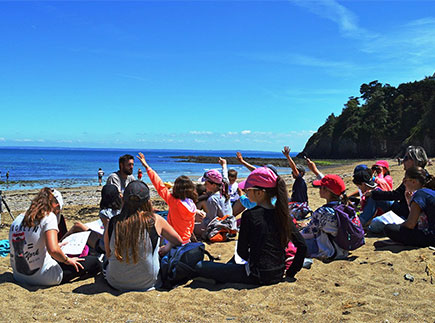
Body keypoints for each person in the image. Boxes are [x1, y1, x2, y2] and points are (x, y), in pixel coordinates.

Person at [195, 167, 307, 284]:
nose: (245, 192)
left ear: (259, 193)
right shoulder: (283, 214)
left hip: (255, 274)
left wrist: (253, 261)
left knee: (200, 266)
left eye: (248, 190)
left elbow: (241, 251)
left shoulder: (250, 215)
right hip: (277, 273)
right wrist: (291, 272)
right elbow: (302, 245)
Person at [9, 188, 100, 286]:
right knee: (94, 262)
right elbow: (53, 250)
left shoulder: (18, 219)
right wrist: (67, 260)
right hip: (42, 277)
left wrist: (58, 245)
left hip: (18, 275)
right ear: (56, 205)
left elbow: (33, 243)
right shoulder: (49, 217)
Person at [104, 181, 182, 291]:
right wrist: (167, 247)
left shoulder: (113, 222)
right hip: (149, 282)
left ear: (123, 200)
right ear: (148, 201)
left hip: (115, 281)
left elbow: (108, 254)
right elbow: (178, 241)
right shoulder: (154, 220)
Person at [137, 152, 204, 254]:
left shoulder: (174, 202)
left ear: (176, 188)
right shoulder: (192, 204)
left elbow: (159, 185)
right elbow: (190, 226)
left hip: (173, 241)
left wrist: (147, 166)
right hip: (186, 241)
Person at [367, 146, 428, 220]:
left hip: (405, 214)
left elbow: (396, 195)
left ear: (415, 160)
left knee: (376, 222)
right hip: (405, 210)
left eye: (406, 158)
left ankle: (360, 222)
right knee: (376, 194)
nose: (403, 161)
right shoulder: (422, 174)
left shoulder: (415, 177)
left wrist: (373, 193)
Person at [300, 174, 349, 260]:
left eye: (320, 188)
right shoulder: (345, 206)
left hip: (330, 251)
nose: (319, 190)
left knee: (294, 242)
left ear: (327, 191)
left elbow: (308, 233)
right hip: (343, 248)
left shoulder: (323, 212)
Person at [384, 167, 435, 247]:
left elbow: (411, 224)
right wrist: (408, 201)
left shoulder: (419, 194)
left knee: (389, 228)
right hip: (430, 230)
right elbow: (418, 218)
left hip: (431, 236)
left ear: (414, 182)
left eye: (405, 180)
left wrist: (400, 225)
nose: (404, 183)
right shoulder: (428, 191)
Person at [194, 168, 233, 238]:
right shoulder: (224, 192)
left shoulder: (212, 199)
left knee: (191, 227)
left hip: (219, 227)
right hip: (229, 224)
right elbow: (225, 178)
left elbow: (211, 220)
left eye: (206, 184)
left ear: (214, 185)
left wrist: (202, 218)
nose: (204, 186)